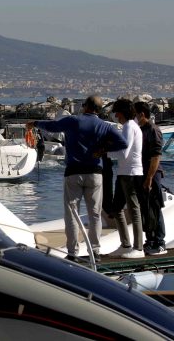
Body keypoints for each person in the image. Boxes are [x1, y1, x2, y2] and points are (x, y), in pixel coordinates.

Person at [26, 95, 127, 262]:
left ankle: (73, 252)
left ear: (86, 106)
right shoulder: (104, 125)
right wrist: (102, 149)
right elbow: (122, 143)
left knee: (72, 214)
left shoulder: (73, 121)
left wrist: (35, 123)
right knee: (95, 214)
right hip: (95, 172)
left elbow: (53, 126)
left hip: (73, 172)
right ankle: (95, 251)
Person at [107, 99, 145, 259]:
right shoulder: (130, 126)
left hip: (131, 174)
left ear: (121, 113)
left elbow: (124, 152)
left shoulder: (129, 126)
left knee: (134, 210)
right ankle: (125, 244)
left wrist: (106, 151)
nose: (115, 116)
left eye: (116, 112)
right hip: (124, 173)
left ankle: (138, 248)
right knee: (116, 209)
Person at [134, 101, 167, 256]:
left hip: (152, 174)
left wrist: (149, 178)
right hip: (142, 173)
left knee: (154, 207)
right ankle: (150, 240)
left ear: (142, 114)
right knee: (146, 209)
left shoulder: (153, 130)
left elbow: (156, 156)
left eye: (135, 114)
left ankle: (160, 242)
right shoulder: (140, 130)